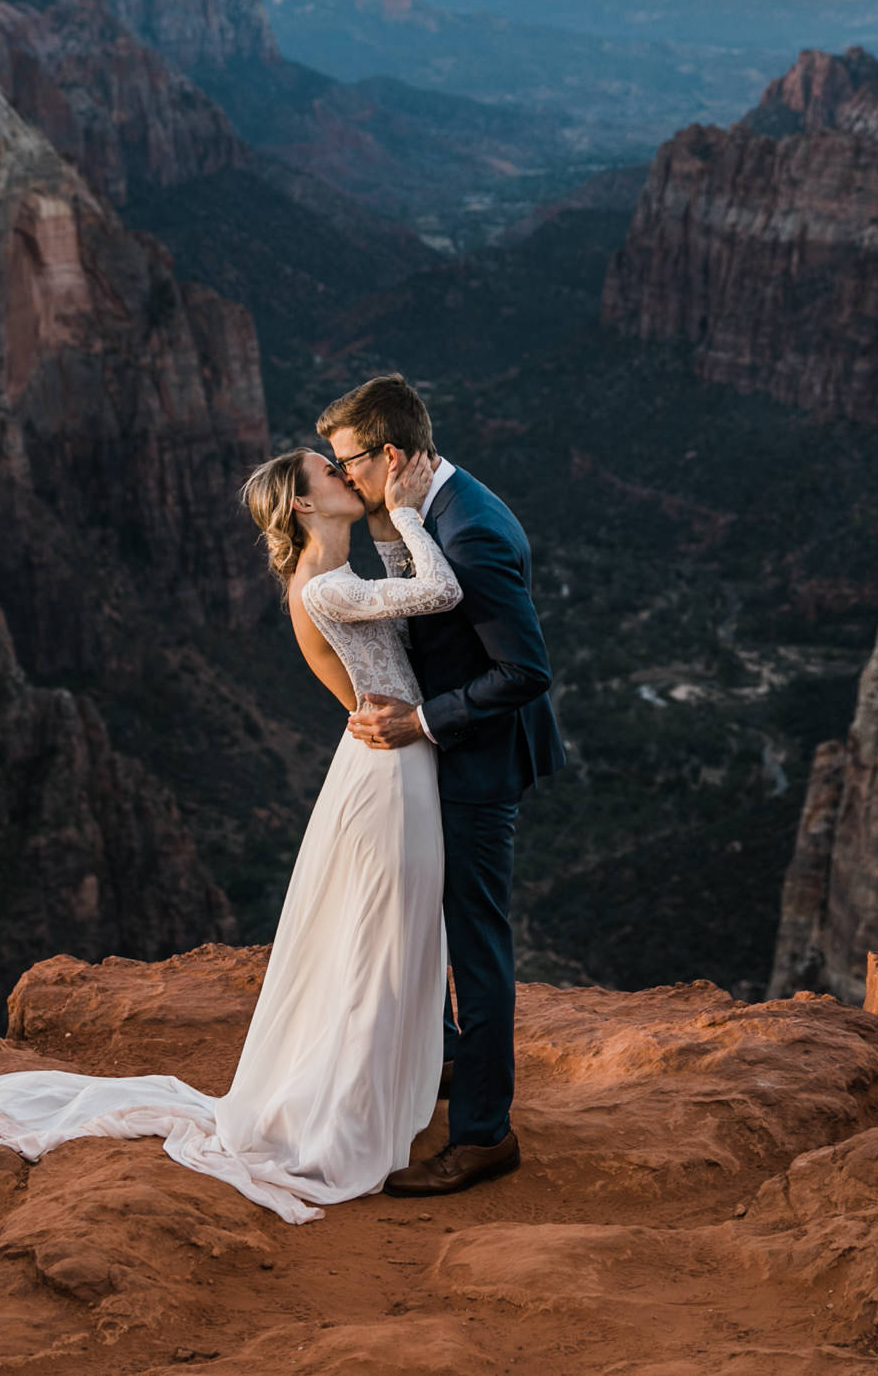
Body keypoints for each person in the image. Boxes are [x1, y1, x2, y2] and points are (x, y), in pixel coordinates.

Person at [0, 446, 459, 1223]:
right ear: (304, 506)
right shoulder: (328, 588)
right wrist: (406, 505)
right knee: (381, 935)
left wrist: (385, 520)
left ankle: (375, 1090)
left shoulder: (333, 577)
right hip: (387, 776)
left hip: (392, 762)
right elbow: (438, 589)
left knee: (390, 932)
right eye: (330, 472)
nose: (348, 475)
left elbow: (402, 607)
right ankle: (350, 1113)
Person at [332, 375, 566, 1196]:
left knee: (476, 941)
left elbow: (525, 671)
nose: (342, 478)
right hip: (452, 753)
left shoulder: (471, 535)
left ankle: (484, 1133)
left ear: (390, 455)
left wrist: (421, 722)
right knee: (431, 918)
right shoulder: (437, 506)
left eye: (349, 462)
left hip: (476, 762)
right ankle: (449, 1061)